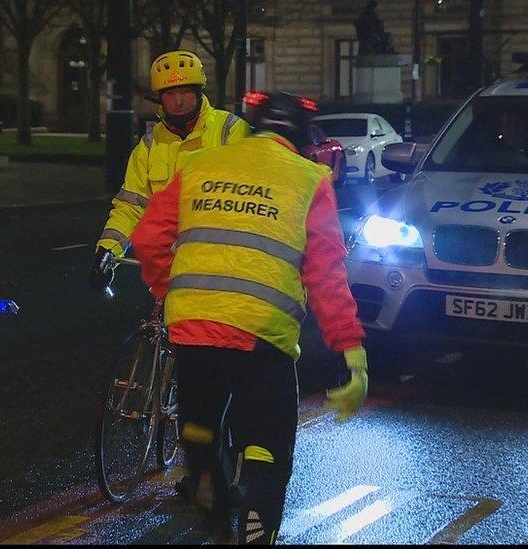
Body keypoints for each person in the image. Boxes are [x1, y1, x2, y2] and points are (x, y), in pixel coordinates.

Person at [129, 91, 369, 545]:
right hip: (261, 332)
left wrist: (168, 290)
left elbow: (148, 238)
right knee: (266, 438)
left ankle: (206, 476)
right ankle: (258, 526)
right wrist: (352, 353)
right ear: (301, 138)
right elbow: (326, 274)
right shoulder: (309, 178)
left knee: (201, 415)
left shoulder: (200, 165)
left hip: (192, 323)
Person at [89, 50, 250, 290]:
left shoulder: (230, 131)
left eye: (185, 92)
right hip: (170, 273)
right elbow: (131, 207)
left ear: (198, 92)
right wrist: (107, 250)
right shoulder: (149, 145)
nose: (179, 101)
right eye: (171, 93)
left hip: (224, 270)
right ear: (160, 99)